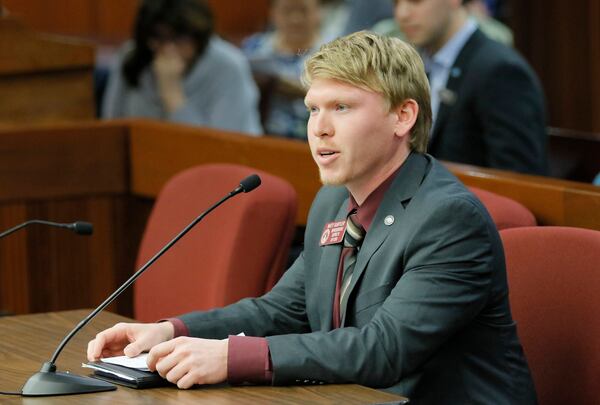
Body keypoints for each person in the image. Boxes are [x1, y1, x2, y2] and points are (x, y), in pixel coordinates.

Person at [88, 31, 536, 403]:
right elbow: (283, 310)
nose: (319, 127)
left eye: (341, 107)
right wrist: (171, 330)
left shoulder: (450, 219)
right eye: (312, 109)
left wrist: (231, 357)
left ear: (403, 116)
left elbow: (384, 350)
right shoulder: (333, 202)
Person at [394, 0, 547, 175]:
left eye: (415, 1)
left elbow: (520, 180)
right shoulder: (414, 64)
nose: (402, 14)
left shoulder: (500, 70)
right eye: (395, 2)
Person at [102, 0, 262, 135]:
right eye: (158, 38)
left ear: (199, 37)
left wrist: (172, 93)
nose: (168, 49)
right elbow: (111, 128)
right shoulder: (131, 56)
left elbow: (221, 147)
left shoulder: (229, 66)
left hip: (216, 168)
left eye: (179, 39)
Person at [242, 0, 322, 140]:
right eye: (287, 11)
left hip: (311, 139)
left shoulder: (333, 53)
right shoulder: (253, 47)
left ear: (318, 12)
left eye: (303, 10)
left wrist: (294, 89)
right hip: (258, 134)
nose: (295, 19)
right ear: (273, 14)